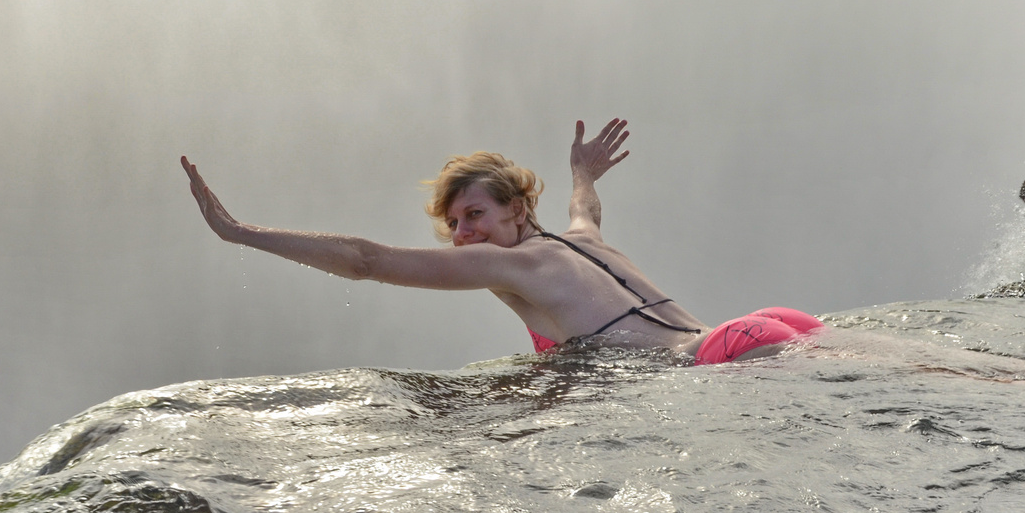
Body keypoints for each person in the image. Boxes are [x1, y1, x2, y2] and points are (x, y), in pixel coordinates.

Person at [181, 119, 824, 364]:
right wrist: (582, 171)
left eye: (474, 215)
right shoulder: (580, 240)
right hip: (757, 327)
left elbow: (366, 261)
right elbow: (586, 205)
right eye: (454, 225)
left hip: (712, 359)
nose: (464, 236)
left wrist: (241, 232)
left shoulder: (509, 263)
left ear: (517, 210)